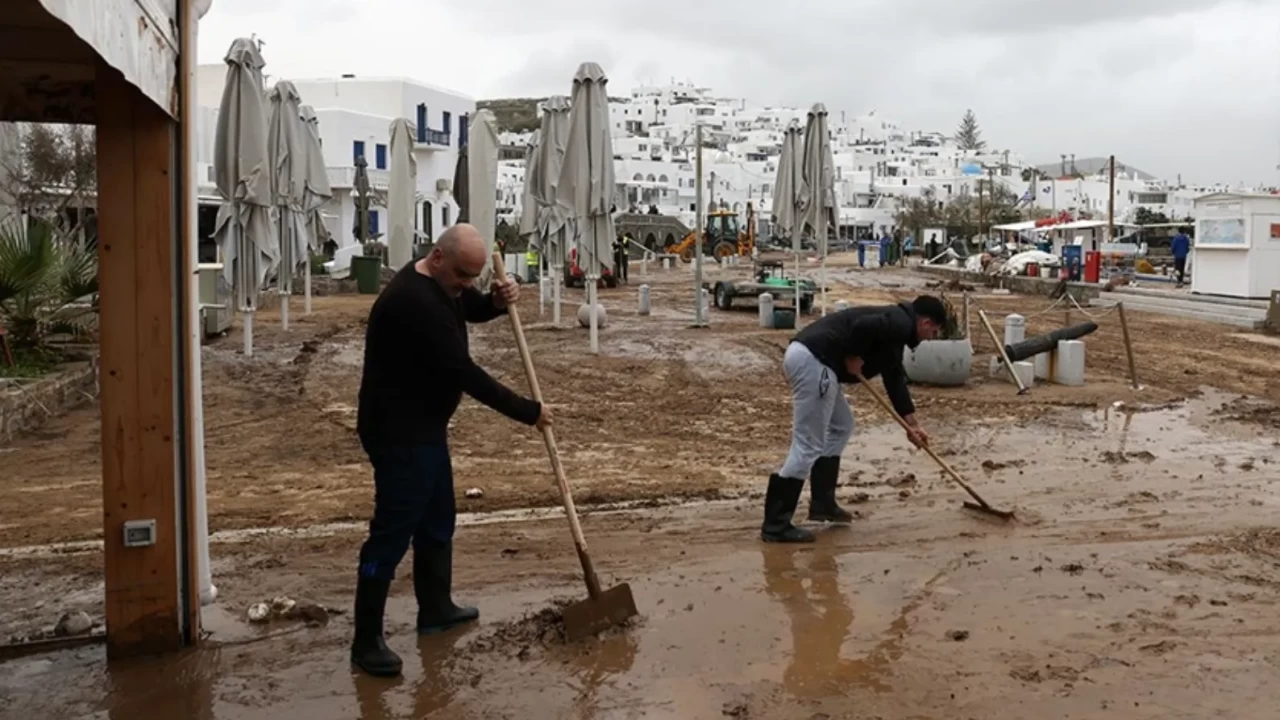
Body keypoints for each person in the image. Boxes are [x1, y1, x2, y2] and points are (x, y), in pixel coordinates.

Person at [351, 223, 552, 677]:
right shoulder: (412, 301)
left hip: (426, 429)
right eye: (463, 275)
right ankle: (366, 641)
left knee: (438, 520)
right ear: (438, 257)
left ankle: (436, 608)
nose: (466, 286)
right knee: (391, 533)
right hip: (398, 433)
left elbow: (466, 307)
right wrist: (528, 411)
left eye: (474, 279)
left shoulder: (438, 284)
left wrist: (495, 304)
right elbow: (464, 372)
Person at [762, 296, 948, 543]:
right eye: (933, 332)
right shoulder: (900, 323)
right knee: (807, 445)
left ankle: (823, 504)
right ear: (924, 322)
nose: (930, 338)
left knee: (842, 426)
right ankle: (776, 525)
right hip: (814, 361)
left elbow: (894, 379)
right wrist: (853, 355)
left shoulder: (897, 329)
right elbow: (862, 327)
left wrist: (911, 425)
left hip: (813, 360)